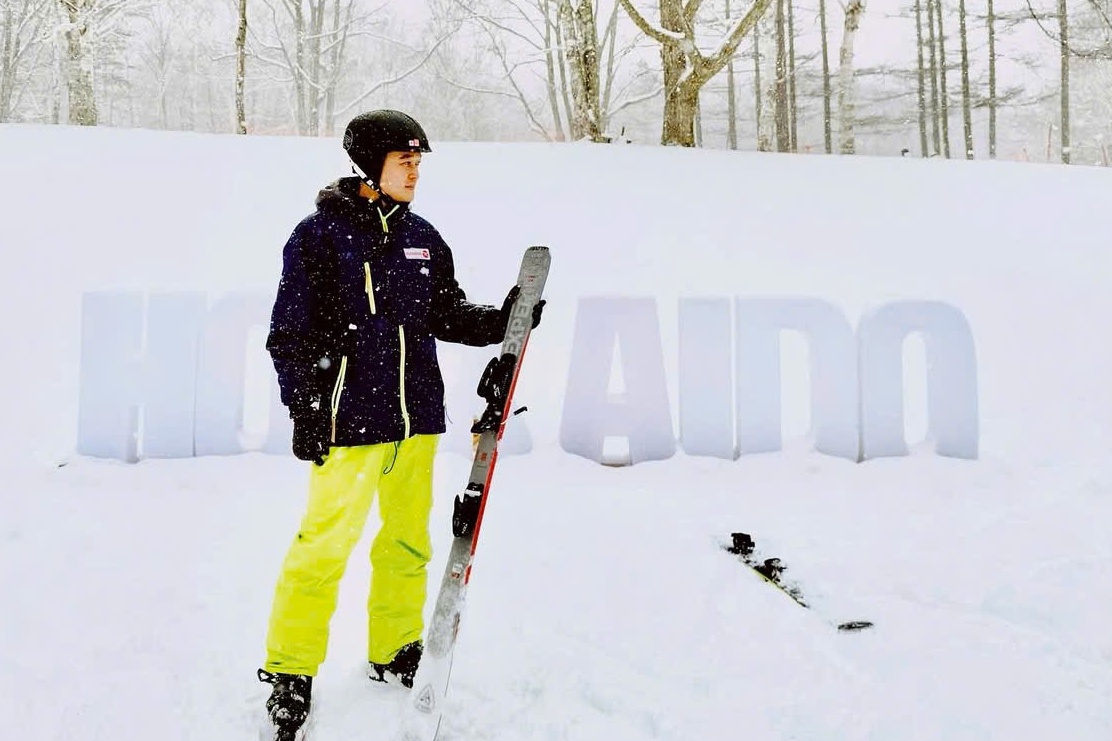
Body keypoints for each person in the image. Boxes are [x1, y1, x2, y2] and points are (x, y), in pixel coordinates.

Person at [256, 109, 543, 737]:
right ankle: (290, 669)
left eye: (419, 160)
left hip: (416, 422)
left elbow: (445, 313)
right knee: (323, 548)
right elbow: (289, 334)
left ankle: (393, 649)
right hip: (348, 423)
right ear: (368, 166)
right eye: (403, 160)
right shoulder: (319, 237)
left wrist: (501, 320)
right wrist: (303, 408)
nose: (415, 170)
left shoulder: (422, 238)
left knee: (407, 544)